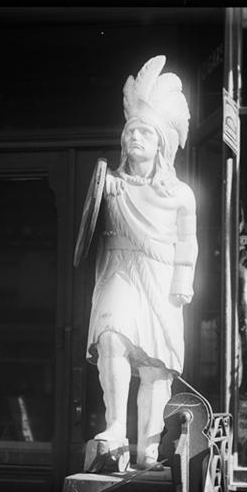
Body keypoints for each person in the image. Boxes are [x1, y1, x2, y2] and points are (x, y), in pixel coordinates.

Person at [86, 55, 197, 468]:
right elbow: (88, 228)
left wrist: (183, 282)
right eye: (130, 130)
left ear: (160, 143)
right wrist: (104, 194)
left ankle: (147, 447)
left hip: (160, 275)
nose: (135, 136)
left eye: (144, 131)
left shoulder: (180, 194)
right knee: (111, 338)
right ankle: (116, 426)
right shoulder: (109, 184)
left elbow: (188, 242)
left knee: (154, 364)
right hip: (119, 269)